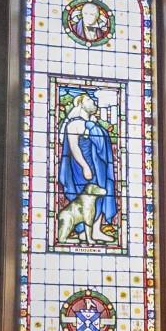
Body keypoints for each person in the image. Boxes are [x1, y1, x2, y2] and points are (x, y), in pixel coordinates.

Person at [56, 91, 118, 245]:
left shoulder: (93, 125)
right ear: (81, 104)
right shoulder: (73, 124)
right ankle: (84, 230)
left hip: (99, 168)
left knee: (101, 196)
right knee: (85, 199)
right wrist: (85, 167)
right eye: (90, 100)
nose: (94, 102)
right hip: (82, 169)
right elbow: (74, 148)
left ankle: (96, 230)